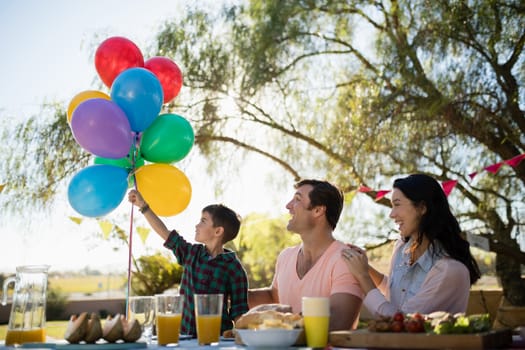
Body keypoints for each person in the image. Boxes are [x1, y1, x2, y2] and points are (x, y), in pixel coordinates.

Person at [342, 174, 481, 318]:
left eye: (397, 204)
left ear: (422, 208)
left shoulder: (449, 270)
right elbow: (395, 291)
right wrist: (365, 268)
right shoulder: (401, 247)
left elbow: (402, 321)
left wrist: (362, 276)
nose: (391, 214)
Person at [128, 189, 249, 336]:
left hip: (217, 340)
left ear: (218, 231)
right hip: (184, 337)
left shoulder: (234, 269)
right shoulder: (192, 253)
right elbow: (165, 233)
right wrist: (143, 206)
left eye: (203, 221)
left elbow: (239, 310)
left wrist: (243, 338)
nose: (197, 225)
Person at [248, 179, 364, 330]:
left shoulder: (346, 260)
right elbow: (274, 297)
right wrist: (230, 293)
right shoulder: (285, 256)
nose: (288, 206)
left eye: (297, 199)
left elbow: (339, 322)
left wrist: (280, 320)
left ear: (318, 210)